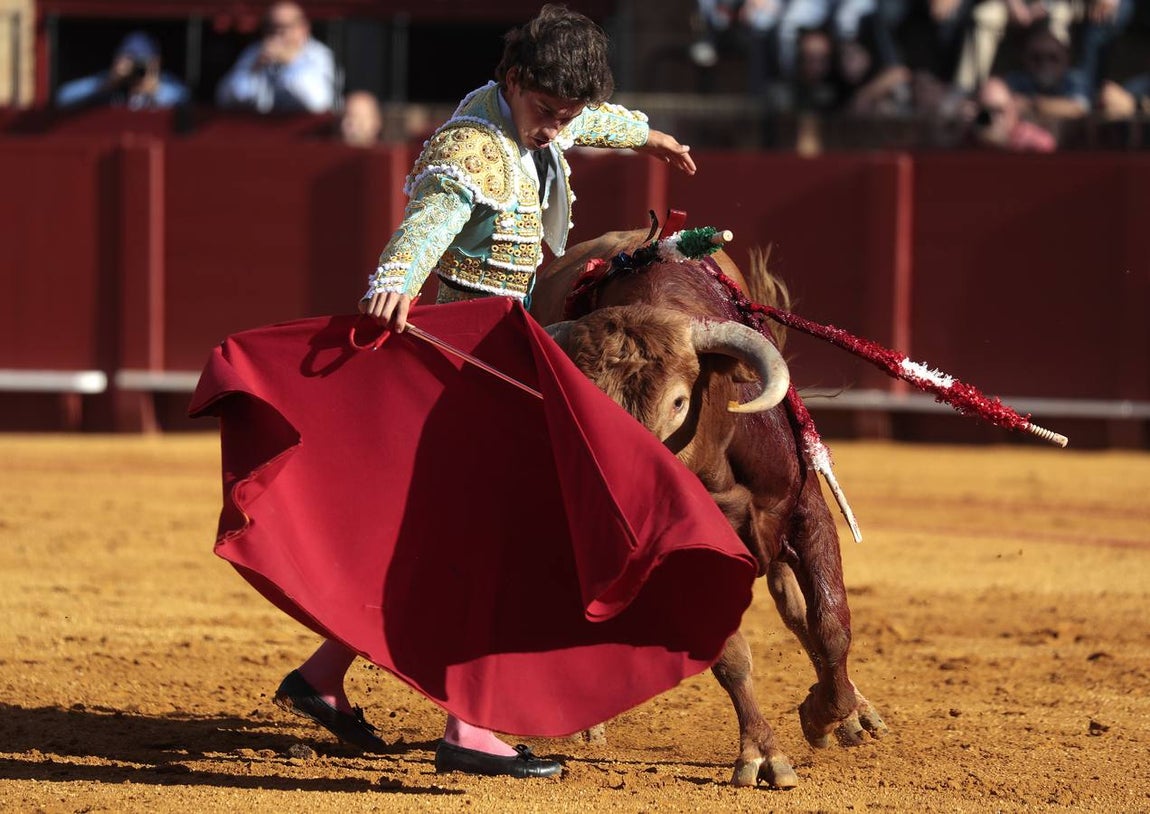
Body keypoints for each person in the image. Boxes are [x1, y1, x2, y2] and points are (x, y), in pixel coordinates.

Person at [274, 4, 696, 779]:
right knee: (494, 543)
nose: (553, 130)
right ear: (513, 81)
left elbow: (584, 121)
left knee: (445, 540)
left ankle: (322, 677)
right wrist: (395, 282)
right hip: (467, 358)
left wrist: (646, 134)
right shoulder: (472, 147)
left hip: (504, 350)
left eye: (563, 116)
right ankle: (468, 728)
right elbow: (428, 219)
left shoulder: (528, 112)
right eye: (545, 113)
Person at [215, 1, 338, 114]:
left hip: (303, 132)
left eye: (284, 27)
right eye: (271, 27)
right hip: (258, 130)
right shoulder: (255, 52)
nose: (277, 33)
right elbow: (225, 98)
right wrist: (254, 69)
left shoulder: (318, 54)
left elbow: (318, 102)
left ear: (303, 28)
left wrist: (290, 62)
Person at [55, 30, 190, 111]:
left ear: (156, 63)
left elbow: (187, 100)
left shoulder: (163, 83)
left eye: (140, 63)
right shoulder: (109, 82)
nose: (135, 69)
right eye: (131, 61)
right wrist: (106, 84)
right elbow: (63, 97)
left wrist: (155, 90)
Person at [1003, 23, 1090, 120]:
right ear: (1025, 59)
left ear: (1066, 60)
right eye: (1036, 58)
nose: (1045, 64)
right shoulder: (1016, 79)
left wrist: (1033, 104)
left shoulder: (1074, 79)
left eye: (1053, 58)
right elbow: (1002, 105)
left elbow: (1079, 109)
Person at [969, 75, 1056, 150]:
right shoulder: (970, 139)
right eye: (985, 111)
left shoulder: (1034, 143)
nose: (992, 118)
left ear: (1012, 110)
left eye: (998, 111)